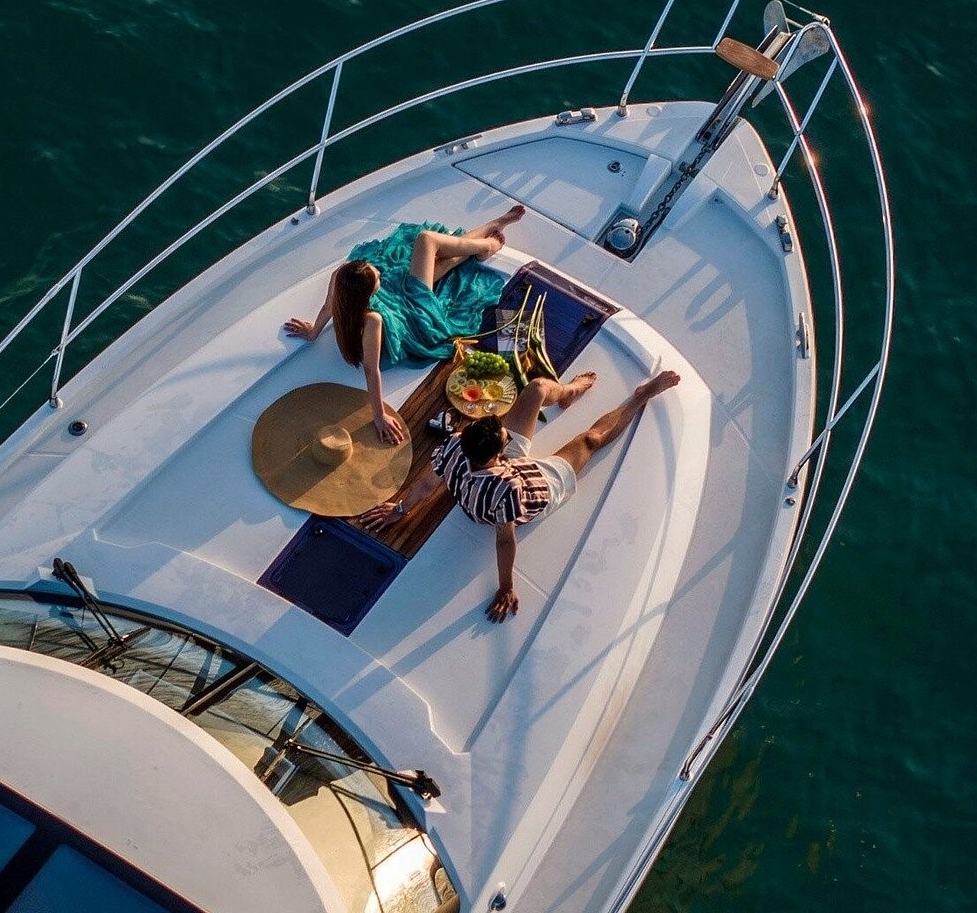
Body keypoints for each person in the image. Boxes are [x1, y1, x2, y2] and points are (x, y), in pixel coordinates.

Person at [359, 369, 682, 622]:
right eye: (501, 432)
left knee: (538, 389)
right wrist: (506, 587)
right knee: (589, 441)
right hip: (528, 486)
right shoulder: (508, 490)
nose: (502, 424)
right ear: (501, 451)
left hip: (488, 469)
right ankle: (639, 398)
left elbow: (428, 485)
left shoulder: (457, 443)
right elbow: (504, 540)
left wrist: (401, 508)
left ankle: (569, 392)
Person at [285, 208, 526, 444]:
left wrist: (314, 332)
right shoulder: (373, 321)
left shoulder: (340, 278)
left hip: (390, 301)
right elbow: (371, 370)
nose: (379, 271)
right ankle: (489, 245)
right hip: (410, 317)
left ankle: (491, 231)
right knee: (426, 240)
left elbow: (328, 307)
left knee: (439, 263)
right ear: (368, 292)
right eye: (376, 277)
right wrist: (379, 416)